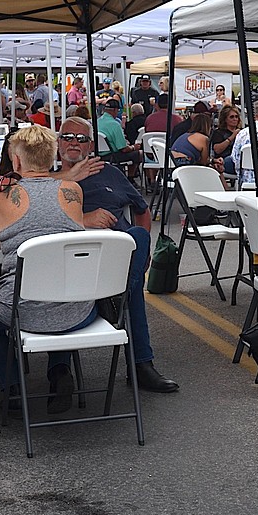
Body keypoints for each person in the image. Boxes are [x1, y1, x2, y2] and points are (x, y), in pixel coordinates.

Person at [0, 125, 96, 413]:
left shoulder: (3, 194)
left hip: (20, 311)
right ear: (52, 157)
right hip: (78, 310)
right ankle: (59, 373)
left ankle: (13, 386)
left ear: (16, 161)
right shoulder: (73, 191)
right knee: (60, 290)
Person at [57, 117, 179, 391]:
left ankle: (116, 294)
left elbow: (142, 210)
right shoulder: (46, 178)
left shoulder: (109, 172)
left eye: (81, 139)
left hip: (117, 256)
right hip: (72, 261)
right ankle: (139, 365)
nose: (74, 143)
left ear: (91, 146)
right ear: (58, 142)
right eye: (68, 137)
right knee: (131, 291)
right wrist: (83, 218)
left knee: (137, 237)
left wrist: (143, 248)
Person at [96, 99, 142, 172]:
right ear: (115, 110)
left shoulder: (97, 122)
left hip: (97, 155)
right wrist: (133, 147)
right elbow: (123, 149)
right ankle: (131, 178)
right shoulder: (115, 125)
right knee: (139, 154)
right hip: (112, 156)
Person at [211, 104, 243, 173]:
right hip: (225, 160)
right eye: (232, 117)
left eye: (236, 117)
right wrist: (232, 137)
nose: (235, 119)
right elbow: (217, 150)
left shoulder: (243, 132)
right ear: (225, 119)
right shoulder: (219, 132)